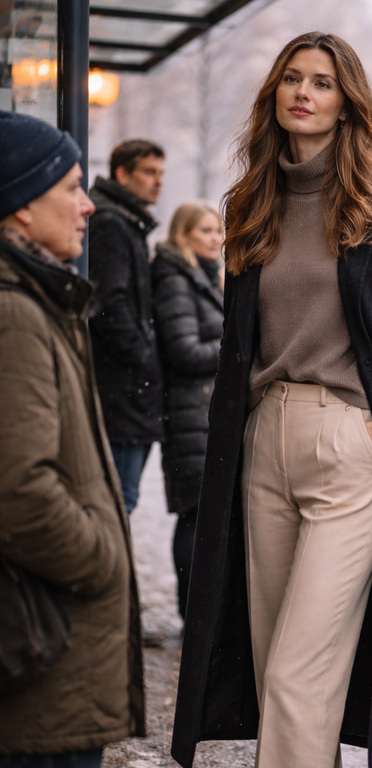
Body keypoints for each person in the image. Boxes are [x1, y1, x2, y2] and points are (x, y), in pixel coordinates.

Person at [172, 32, 372, 768]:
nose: (303, 93)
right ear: (273, 93)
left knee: (296, 675)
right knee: (273, 669)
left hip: (349, 446)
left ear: (348, 103)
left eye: (321, 82)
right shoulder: (250, 204)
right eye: (291, 78)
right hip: (262, 445)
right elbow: (240, 348)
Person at [0, 112, 144, 766]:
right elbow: (19, 490)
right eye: (71, 188)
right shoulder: (15, 312)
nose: (87, 205)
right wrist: (103, 559)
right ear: (22, 205)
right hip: (44, 651)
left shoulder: (36, 297)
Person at [151, 202, 224, 619]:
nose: (216, 238)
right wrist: (235, 346)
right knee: (196, 516)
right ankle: (193, 618)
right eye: (206, 230)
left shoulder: (202, 277)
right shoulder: (176, 280)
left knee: (203, 516)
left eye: (218, 230)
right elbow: (184, 351)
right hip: (190, 414)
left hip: (203, 413)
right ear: (183, 234)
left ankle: (202, 617)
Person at [88, 139, 165, 515]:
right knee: (117, 504)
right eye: (149, 172)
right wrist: (142, 357)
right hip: (120, 391)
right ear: (122, 174)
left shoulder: (124, 220)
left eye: (161, 173)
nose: (158, 181)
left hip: (125, 389)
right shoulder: (111, 223)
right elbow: (108, 302)